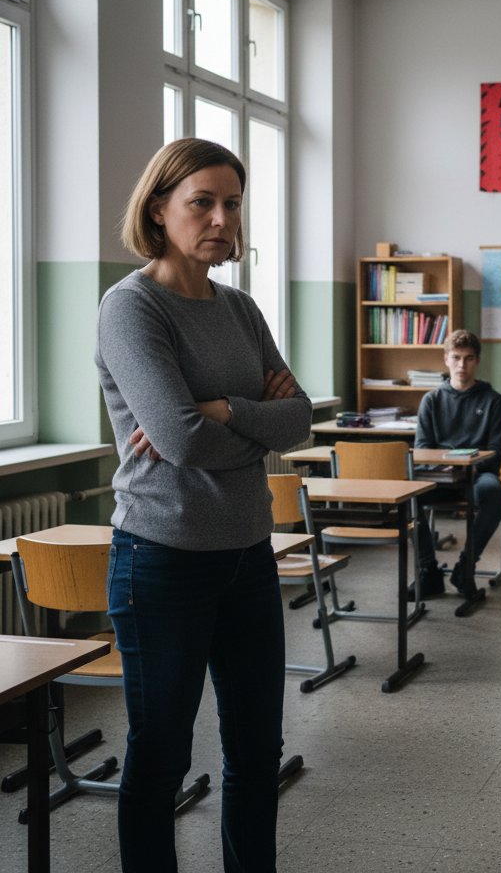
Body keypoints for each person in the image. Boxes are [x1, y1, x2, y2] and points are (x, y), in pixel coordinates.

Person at [95, 138, 312, 873]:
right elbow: (182, 442)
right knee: (161, 754)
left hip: (247, 554)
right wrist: (247, 416)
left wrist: (218, 408)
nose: (222, 218)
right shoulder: (131, 308)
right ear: (159, 210)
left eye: (233, 204)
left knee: (257, 750)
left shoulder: (241, 308)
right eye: (202, 202)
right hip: (161, 561)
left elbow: (303, 418)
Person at [412, 329, 501, 598]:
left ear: (477, 361)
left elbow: (499, 451)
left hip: (478, 474)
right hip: (439, 477)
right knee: (409, 497)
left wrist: (472, 466)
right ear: (446, 359)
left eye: (468, 358)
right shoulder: (431, 400)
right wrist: (444, 467)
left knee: (493, 493)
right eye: (456, 358)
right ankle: (427, 571)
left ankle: (465, 568)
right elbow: (422, 448)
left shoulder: (493, 400)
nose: (461, 365)